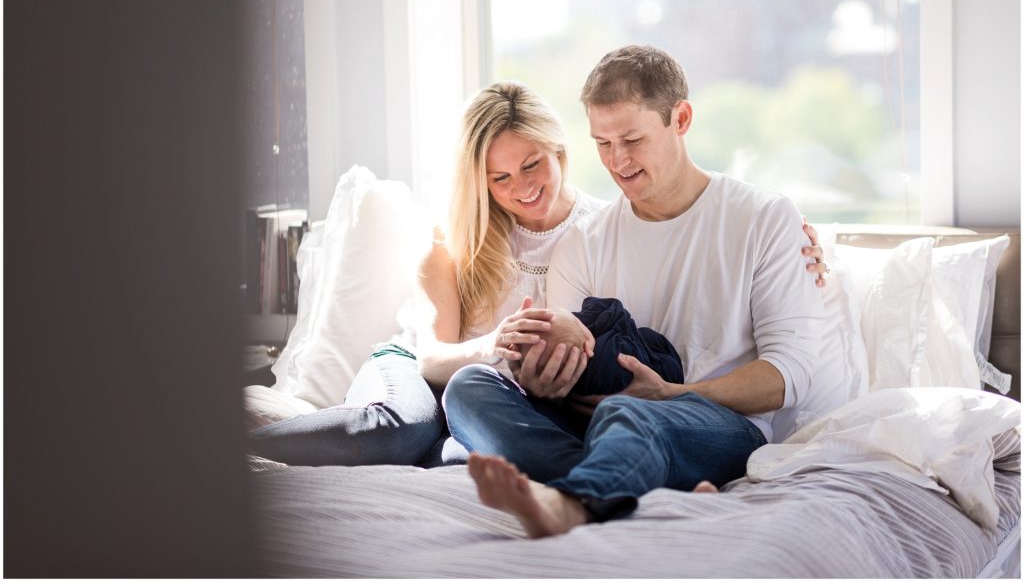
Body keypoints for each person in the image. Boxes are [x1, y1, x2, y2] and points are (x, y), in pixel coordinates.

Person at [248, 79, 830, 468]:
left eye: (532, 164)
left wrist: (797, 238)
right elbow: (429, 358)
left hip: (509, 398)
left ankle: (558, 470)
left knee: (472, 429)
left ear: (559, 151)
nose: (522, 187)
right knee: (400, 429)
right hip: (421, 376)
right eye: (499, 179)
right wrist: (494, 345)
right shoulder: (454, 244)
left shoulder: (604, 232)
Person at [443, 45, 834, 537]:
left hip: (717, 424)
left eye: (632, 139)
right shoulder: (584, 241)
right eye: (602, 143)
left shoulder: (762, 218)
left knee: (631, 410)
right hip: (601, 422)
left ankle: (575, 502)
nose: (617, 161)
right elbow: (576, 361)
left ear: (681, 118)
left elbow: (788, 375)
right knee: (470, 389)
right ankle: (633, 485)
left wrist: (672, 393)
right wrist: (548, 379)